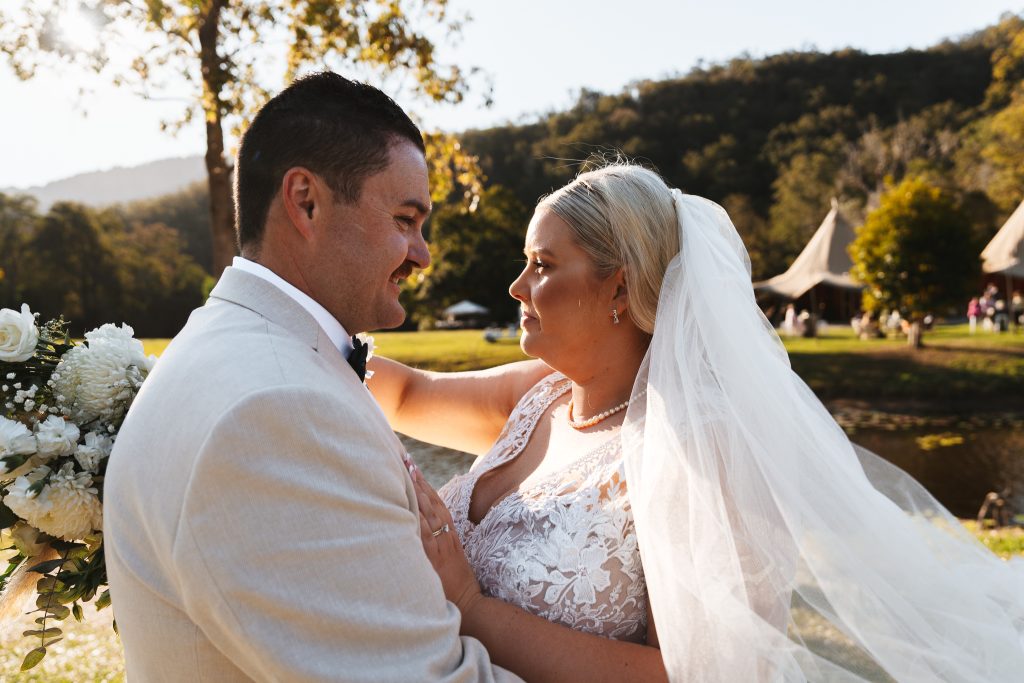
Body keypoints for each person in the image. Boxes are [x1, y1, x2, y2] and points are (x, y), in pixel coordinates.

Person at [370, 162, 1024, 682]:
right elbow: (399, 393)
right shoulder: (540, 395)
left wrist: (476, 607)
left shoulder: (699, 447)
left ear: (619, 289)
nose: (516, 286)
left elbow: (696, 675)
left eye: (542, 264)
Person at [103, 73, 518, 681]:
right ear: (305, 202)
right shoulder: (278, 409)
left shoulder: (229, 348)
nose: (423, 253)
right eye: (406, 219)